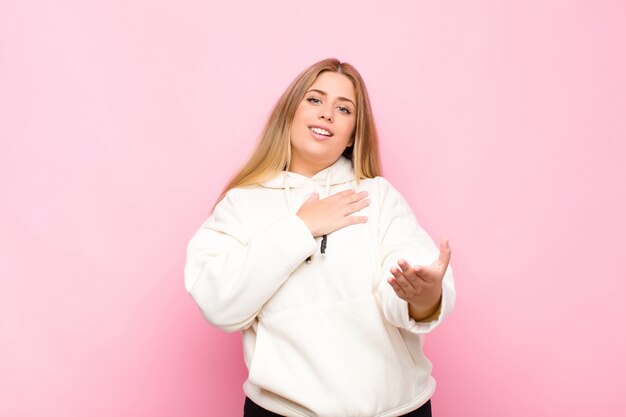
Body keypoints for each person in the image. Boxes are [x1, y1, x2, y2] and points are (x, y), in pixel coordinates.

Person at [184, 58, 456, 417]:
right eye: (315, 100)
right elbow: (218, 301)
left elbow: (406, 269)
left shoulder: (377, 196)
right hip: (282, 411)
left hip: (396, 411)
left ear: (353, 133)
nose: (327, 113)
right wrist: (301, 227)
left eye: (344, 109)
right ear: (289, 113)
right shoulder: (242, 204)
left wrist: (423, 297)